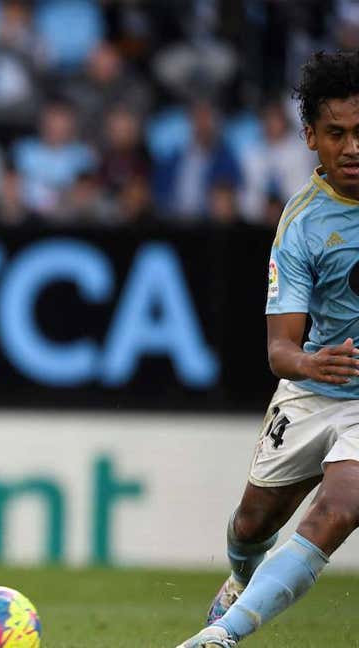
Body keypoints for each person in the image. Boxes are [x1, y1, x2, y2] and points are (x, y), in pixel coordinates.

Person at [179, 50, 359, 647]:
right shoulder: (302, 224)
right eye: (337, 133)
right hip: (314, 385)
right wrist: (312, 362)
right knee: (253, 524)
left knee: (339, 507)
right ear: (310, 137)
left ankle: (222, 636)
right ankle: (239, 579)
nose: (353, 147)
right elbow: (280, 350)